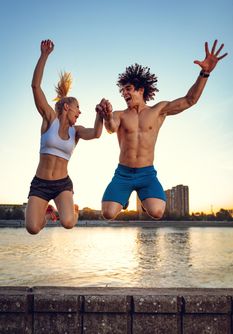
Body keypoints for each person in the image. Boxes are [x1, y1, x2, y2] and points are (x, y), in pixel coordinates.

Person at [100, 40, 227, 220]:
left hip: (147, 173)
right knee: (108, 214)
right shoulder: (120, 114)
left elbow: (190, 100)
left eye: (128, 89)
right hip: (123, 173)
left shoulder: (158, 110)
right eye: (122, 91)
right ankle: (125, 199)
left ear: (141, 89)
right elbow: (111, 128)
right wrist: (106, 116)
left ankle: (144, 200)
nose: (124, 94)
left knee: (157, 212)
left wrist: (204, 73)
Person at [25, 39, 104, 234]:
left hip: (62, 184)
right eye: (78, 107)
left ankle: (73, 210)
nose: (80, 112)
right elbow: (36, 87)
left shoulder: (75, 132)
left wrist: (100, 115)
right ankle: (47, 213)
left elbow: (96, 133)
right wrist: (44, 55)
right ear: (67, 107)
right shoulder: (49, 119)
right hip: (40, 183)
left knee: (68, 222)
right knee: (32, 228)